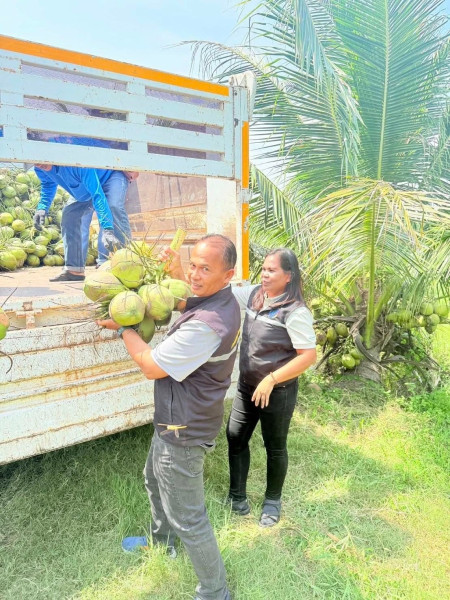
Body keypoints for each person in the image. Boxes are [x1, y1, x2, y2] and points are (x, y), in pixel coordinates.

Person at [97, 234, 240, 600]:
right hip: (178, 416)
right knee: (153, 479)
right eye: (193, 265)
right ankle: (162, 543)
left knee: (189, 517)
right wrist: (165, 276)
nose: (194, 275)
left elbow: (150, 366)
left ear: (228, 274)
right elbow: (183, 301)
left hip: (184, 428)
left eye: (205, 269)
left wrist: (126, 328)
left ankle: (215, 592)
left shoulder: (207, 325)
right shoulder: (219, 301)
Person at [226, 248, 317, 527]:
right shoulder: (255, 294)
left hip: (277, 392)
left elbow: (308, 356)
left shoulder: (295, 312)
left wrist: (272, 379)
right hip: (247, 386)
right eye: (264, 269)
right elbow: (221, 292)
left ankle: (272, 502)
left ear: (288, 276)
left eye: (272, 270)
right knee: (235, 436)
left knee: (274, 447)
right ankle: (237, 496)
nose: (265, 275)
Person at [32, 164, 134, 281]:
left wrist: (107, 229)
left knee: (113, 206)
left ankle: (127, 265)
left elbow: (97, 195)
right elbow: (48, 184)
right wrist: (42, 208)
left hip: (110, 176)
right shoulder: (39, 167)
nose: (39, 164)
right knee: (70, 214)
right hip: (84, 186)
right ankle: (74, 271)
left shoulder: (76, 164)